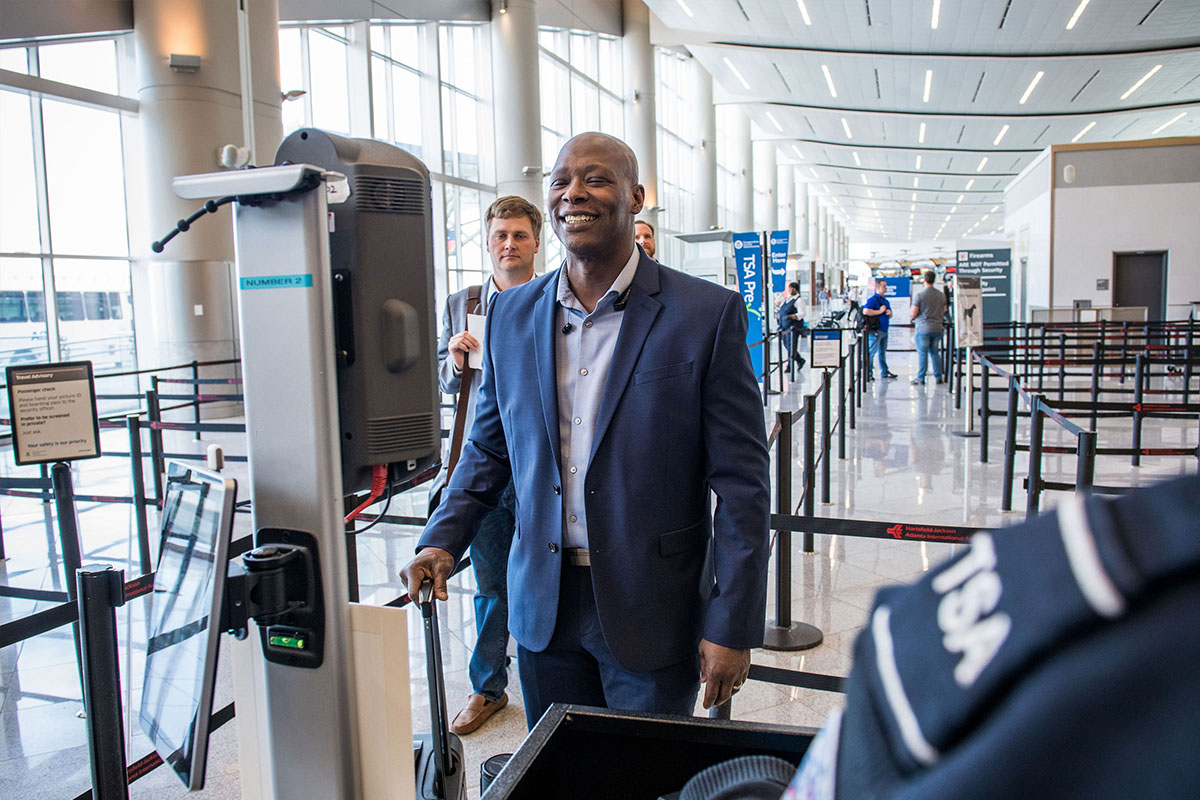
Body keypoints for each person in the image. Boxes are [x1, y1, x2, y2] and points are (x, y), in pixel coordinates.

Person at [401, 132, 770, 728]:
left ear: (636, 197)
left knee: (646, 780)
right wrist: (442, 538)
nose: (574, 193)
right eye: (560, 181)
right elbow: (489, 446)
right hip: (543, 605)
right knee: (558, 778)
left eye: (596, 179)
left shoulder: (706, 314)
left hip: (653, 606)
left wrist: (733, 621)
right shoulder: (512, 315)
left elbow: (744, 486)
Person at [428, 195, 541, 735]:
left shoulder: (555, 298)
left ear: (536, 241)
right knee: (491, 580)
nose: (509, 245)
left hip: (541, 466)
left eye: (519, 235)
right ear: (488, 241)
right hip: (483, 465)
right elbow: (452, 386)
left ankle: (554, 680)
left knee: (553, 575)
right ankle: (487, 685)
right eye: (500, 235)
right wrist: (452, 362)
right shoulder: (461, 302)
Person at [909, 269, 946, 385]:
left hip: (923, 328)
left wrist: (912, 317)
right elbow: (944, 310)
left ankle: (921, 378)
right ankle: (938, 376)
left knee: (922, 353)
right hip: (937, 327)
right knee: (935, 352)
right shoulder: (941, 295)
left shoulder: (919, 295)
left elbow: (913, 313)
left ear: (924, 280)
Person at [863, 278, 896, 380]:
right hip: (876, 331)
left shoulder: (885, 301)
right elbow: (866, 311)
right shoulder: (873, 300)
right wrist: (879, 311)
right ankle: (868, 372)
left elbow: (889, 314)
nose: (886, 288)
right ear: (878, 287)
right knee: (872, 352)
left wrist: (890, 314)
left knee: (882, 352)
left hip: (884, 330)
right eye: (884, 286)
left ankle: (884, 371)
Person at [778, 281, 806, 368]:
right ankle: (800, 360)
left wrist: (791, 316)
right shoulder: (787, 299)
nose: (790, 290)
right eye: (789, 288)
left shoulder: (799, 300)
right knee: (786, 344)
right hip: (784, 327)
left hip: (793, 327)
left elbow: (802, 313)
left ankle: (790, 366)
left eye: (792, 288)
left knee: (791, 346)